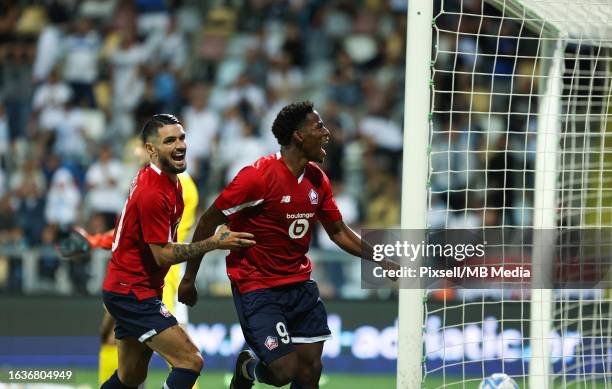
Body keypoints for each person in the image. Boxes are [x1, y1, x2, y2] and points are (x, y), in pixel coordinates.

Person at [177, 101, 397, 389]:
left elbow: (339, 231)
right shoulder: (257, 177)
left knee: (310, 372)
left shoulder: (318, 180)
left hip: (299, 285)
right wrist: (189, 279)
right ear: (299, 136)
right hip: (258, 287)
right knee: (283, 372)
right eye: (319, 127)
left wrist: (379, 256)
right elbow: (208, 221)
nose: (327, 133)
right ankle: (248, 368)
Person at [99, 114, 255, 389]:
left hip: (132, 287)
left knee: (131, 377)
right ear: (151, 150)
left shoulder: (168, 183)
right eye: (169, 140)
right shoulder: (154, 192)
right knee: (191, 360)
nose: (180, 145)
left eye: (182, 137)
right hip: (133, 292)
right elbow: (162, 254)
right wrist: (214, 243)